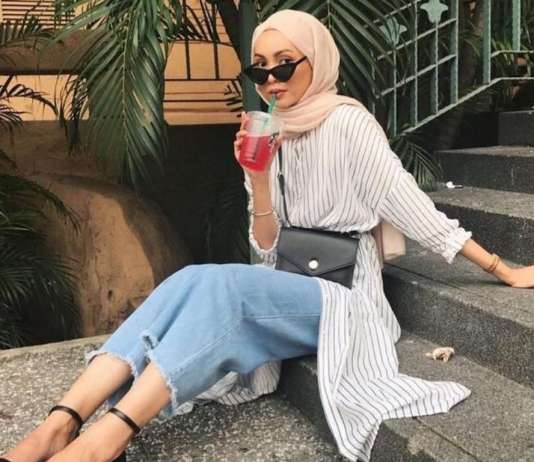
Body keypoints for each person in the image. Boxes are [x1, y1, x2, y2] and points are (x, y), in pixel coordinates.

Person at [2, 9, 534, 462]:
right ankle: (60, 422)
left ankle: (109, 437)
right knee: (189, 279)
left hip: (345, 296)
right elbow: (266, 247)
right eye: (260, 69)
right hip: (289, 281)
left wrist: (501, 269)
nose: (272, 80)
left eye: (285, 64)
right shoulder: (270, 132)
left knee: (222, 288)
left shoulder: (349, 125)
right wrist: (257, 178)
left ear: (316, 61)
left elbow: (414, 209)